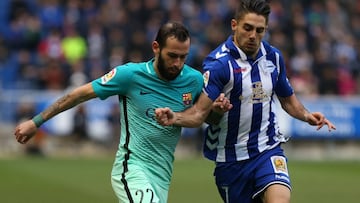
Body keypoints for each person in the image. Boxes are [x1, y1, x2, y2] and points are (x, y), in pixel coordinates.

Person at [14, 21, 229, 203]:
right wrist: (36, 122)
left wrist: (217, 112)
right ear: (156, 47)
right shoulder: (130, 75)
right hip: (131, 168)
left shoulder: (193, 80)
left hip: (162, 174)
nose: (178, 63)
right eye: (172, 55)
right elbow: (77, 95)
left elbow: (203, 117)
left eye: (183, 57)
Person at [155, 1, 337, 203]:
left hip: (267, 149)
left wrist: (306, 115)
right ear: (234, 25)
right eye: (247, 28)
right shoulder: (219, 64)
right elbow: (200, 113)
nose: (253, 35)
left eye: (259, 30)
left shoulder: (273, 57)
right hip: (231, 161)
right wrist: (176, 117)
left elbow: (287, 99)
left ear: (266, 29)